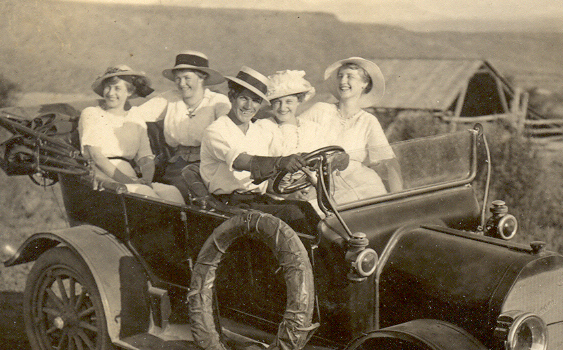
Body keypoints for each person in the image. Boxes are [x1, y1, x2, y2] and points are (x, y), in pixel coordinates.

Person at [194, 66, 313, 232]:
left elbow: (267, 177)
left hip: (256, 201)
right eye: (244, 98)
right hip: (228, 206)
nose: (249, 106)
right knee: (291, 213)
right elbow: (242, 161)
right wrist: (280, 161)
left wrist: (291, 190)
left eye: (256, 100)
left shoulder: (258, 131)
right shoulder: (216, 131)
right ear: (231, 96)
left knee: (306, 209)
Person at [265, 69, 379, 204]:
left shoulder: (311, 128)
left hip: (313, 191)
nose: (283, 107)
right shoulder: (263, 128)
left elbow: (326, 159)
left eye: (289, 101)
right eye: (277, 102)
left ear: (299, 100)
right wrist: (289, 193)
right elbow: (258, 172)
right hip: (278, 196)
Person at [132, 51, 230, 200]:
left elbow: (230, 129)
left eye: (187, 78)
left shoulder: (217, 102)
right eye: (178, 79)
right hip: (176, 166)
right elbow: (135, 116)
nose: (181, 84)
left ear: (201, 77)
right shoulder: (171, 98)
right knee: (172, 195)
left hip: (210, 165)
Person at [78, 66, 184, 204]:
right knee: (145, 194)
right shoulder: (92, 114)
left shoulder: (134, 117)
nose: (111, 93)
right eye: (107, 87)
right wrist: (132, 183)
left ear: (129, 91)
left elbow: (145, 157)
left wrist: (146, 180)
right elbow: (97, 157)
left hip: (130, 177)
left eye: (117, 88)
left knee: (172, 192)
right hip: (102, 177)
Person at [300, 56, 403, 195]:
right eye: (340, 76)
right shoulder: (319, 110)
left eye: (350, 76)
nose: (343, 81)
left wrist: (398, 199)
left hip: (360, 186)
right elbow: (290, 136)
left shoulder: (368, 121)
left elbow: (388, 161)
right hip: (317, 185)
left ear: (364, 83)